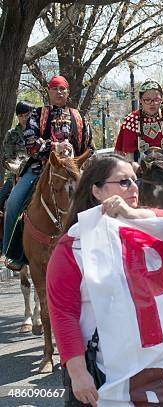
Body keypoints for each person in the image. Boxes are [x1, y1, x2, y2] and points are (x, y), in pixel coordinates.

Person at [47, 154, 163, 407]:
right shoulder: (72, 247)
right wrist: (78, 373)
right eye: (123, 182)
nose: (134, 187)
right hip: (105, 371)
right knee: (15, 200)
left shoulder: (148, 224)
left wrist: (135, 216)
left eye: (134, 180)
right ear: (97, 191)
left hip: (160, 367)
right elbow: (63, 313)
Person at [3, 75, 94, 270]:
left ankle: (102, 247)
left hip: (72, 171)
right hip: (40, 169)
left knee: (99, 202)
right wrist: (55, 146)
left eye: (62, 89)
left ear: (68, 92)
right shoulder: (37, 115)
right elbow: (30, 144)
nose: (59, 92)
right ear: (49, 92)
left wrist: (75, 155)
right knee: (12, 203)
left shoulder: (79, 117)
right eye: (55, 89)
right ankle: (13, 253)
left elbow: (90, 147)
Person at [0, 102, 33, 212]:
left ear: (32, 115)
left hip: (37, 173)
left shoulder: (39, 133)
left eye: (27, 115)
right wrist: (18, 169)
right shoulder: (12, 134)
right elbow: (6, 158)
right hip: (16, 175)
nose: (24, 118)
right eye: (20, 116)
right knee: (1, 197)